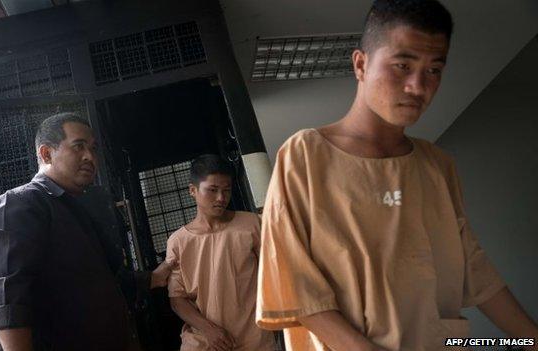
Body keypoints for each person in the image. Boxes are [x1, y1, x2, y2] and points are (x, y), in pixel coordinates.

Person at [255, 1, 538, 350]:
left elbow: (475, 270)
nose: (418, 86)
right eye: (402, 65)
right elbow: (296, 286)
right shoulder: (305, 156)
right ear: (361, 64)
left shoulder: (437, 165)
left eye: (434, 70)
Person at [0, 112, 174, 351]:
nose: (90, 157)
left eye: (93, 149)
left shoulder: (77, 211)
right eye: (78, 146)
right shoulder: (20, 204)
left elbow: (103, 282)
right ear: (46, 154)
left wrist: (154, 278)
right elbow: (7, 296)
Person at [166, 154, 275, 351]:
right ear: (193, 190)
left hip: (255, 337)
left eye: (226, 190)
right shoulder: (178, 242)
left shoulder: (252, 224)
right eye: (212, 190)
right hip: (204, 341)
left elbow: (273, 274)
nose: (221, 198)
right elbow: (177, 299)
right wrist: (209, 330)